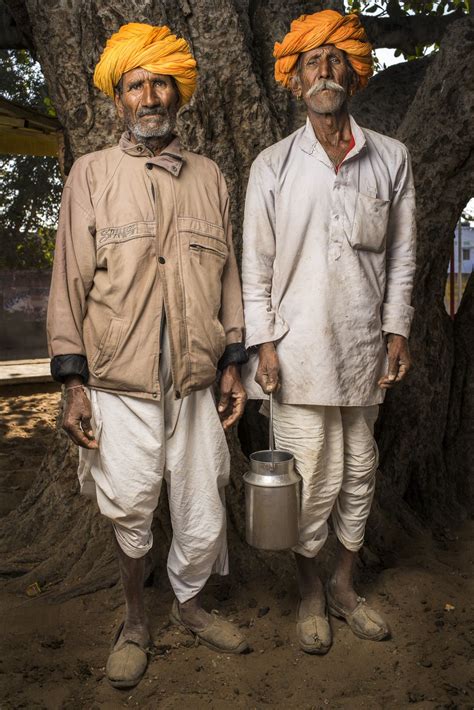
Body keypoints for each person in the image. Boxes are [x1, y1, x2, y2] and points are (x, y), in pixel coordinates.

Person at [47, 22, 249, 689]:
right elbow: (69, 281)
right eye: (137, 84)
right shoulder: (92, 175)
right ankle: (135, 619)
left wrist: (231, 363)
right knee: (130, 502)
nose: (151, 94)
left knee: (201, 502)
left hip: (194, 381)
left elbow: (227, 278)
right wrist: (72, 382)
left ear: (178, 94)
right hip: (118, 383)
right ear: (119, 100)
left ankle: (188, 605)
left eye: (161, 82)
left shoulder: (211, 177)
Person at [242, 10, 416, 654]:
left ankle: (345, 585)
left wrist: (397, 329)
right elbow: (255, 266)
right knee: (308, 478)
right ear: (294, 81)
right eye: (311, 61)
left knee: (361, 469)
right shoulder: (272, 166)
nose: (324, 71)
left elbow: (402, 257)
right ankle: (309, 592)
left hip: (365, 351)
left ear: (353, 74)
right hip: (295, 354)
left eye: (334, 59)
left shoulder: (390, 158)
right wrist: (263, 344)